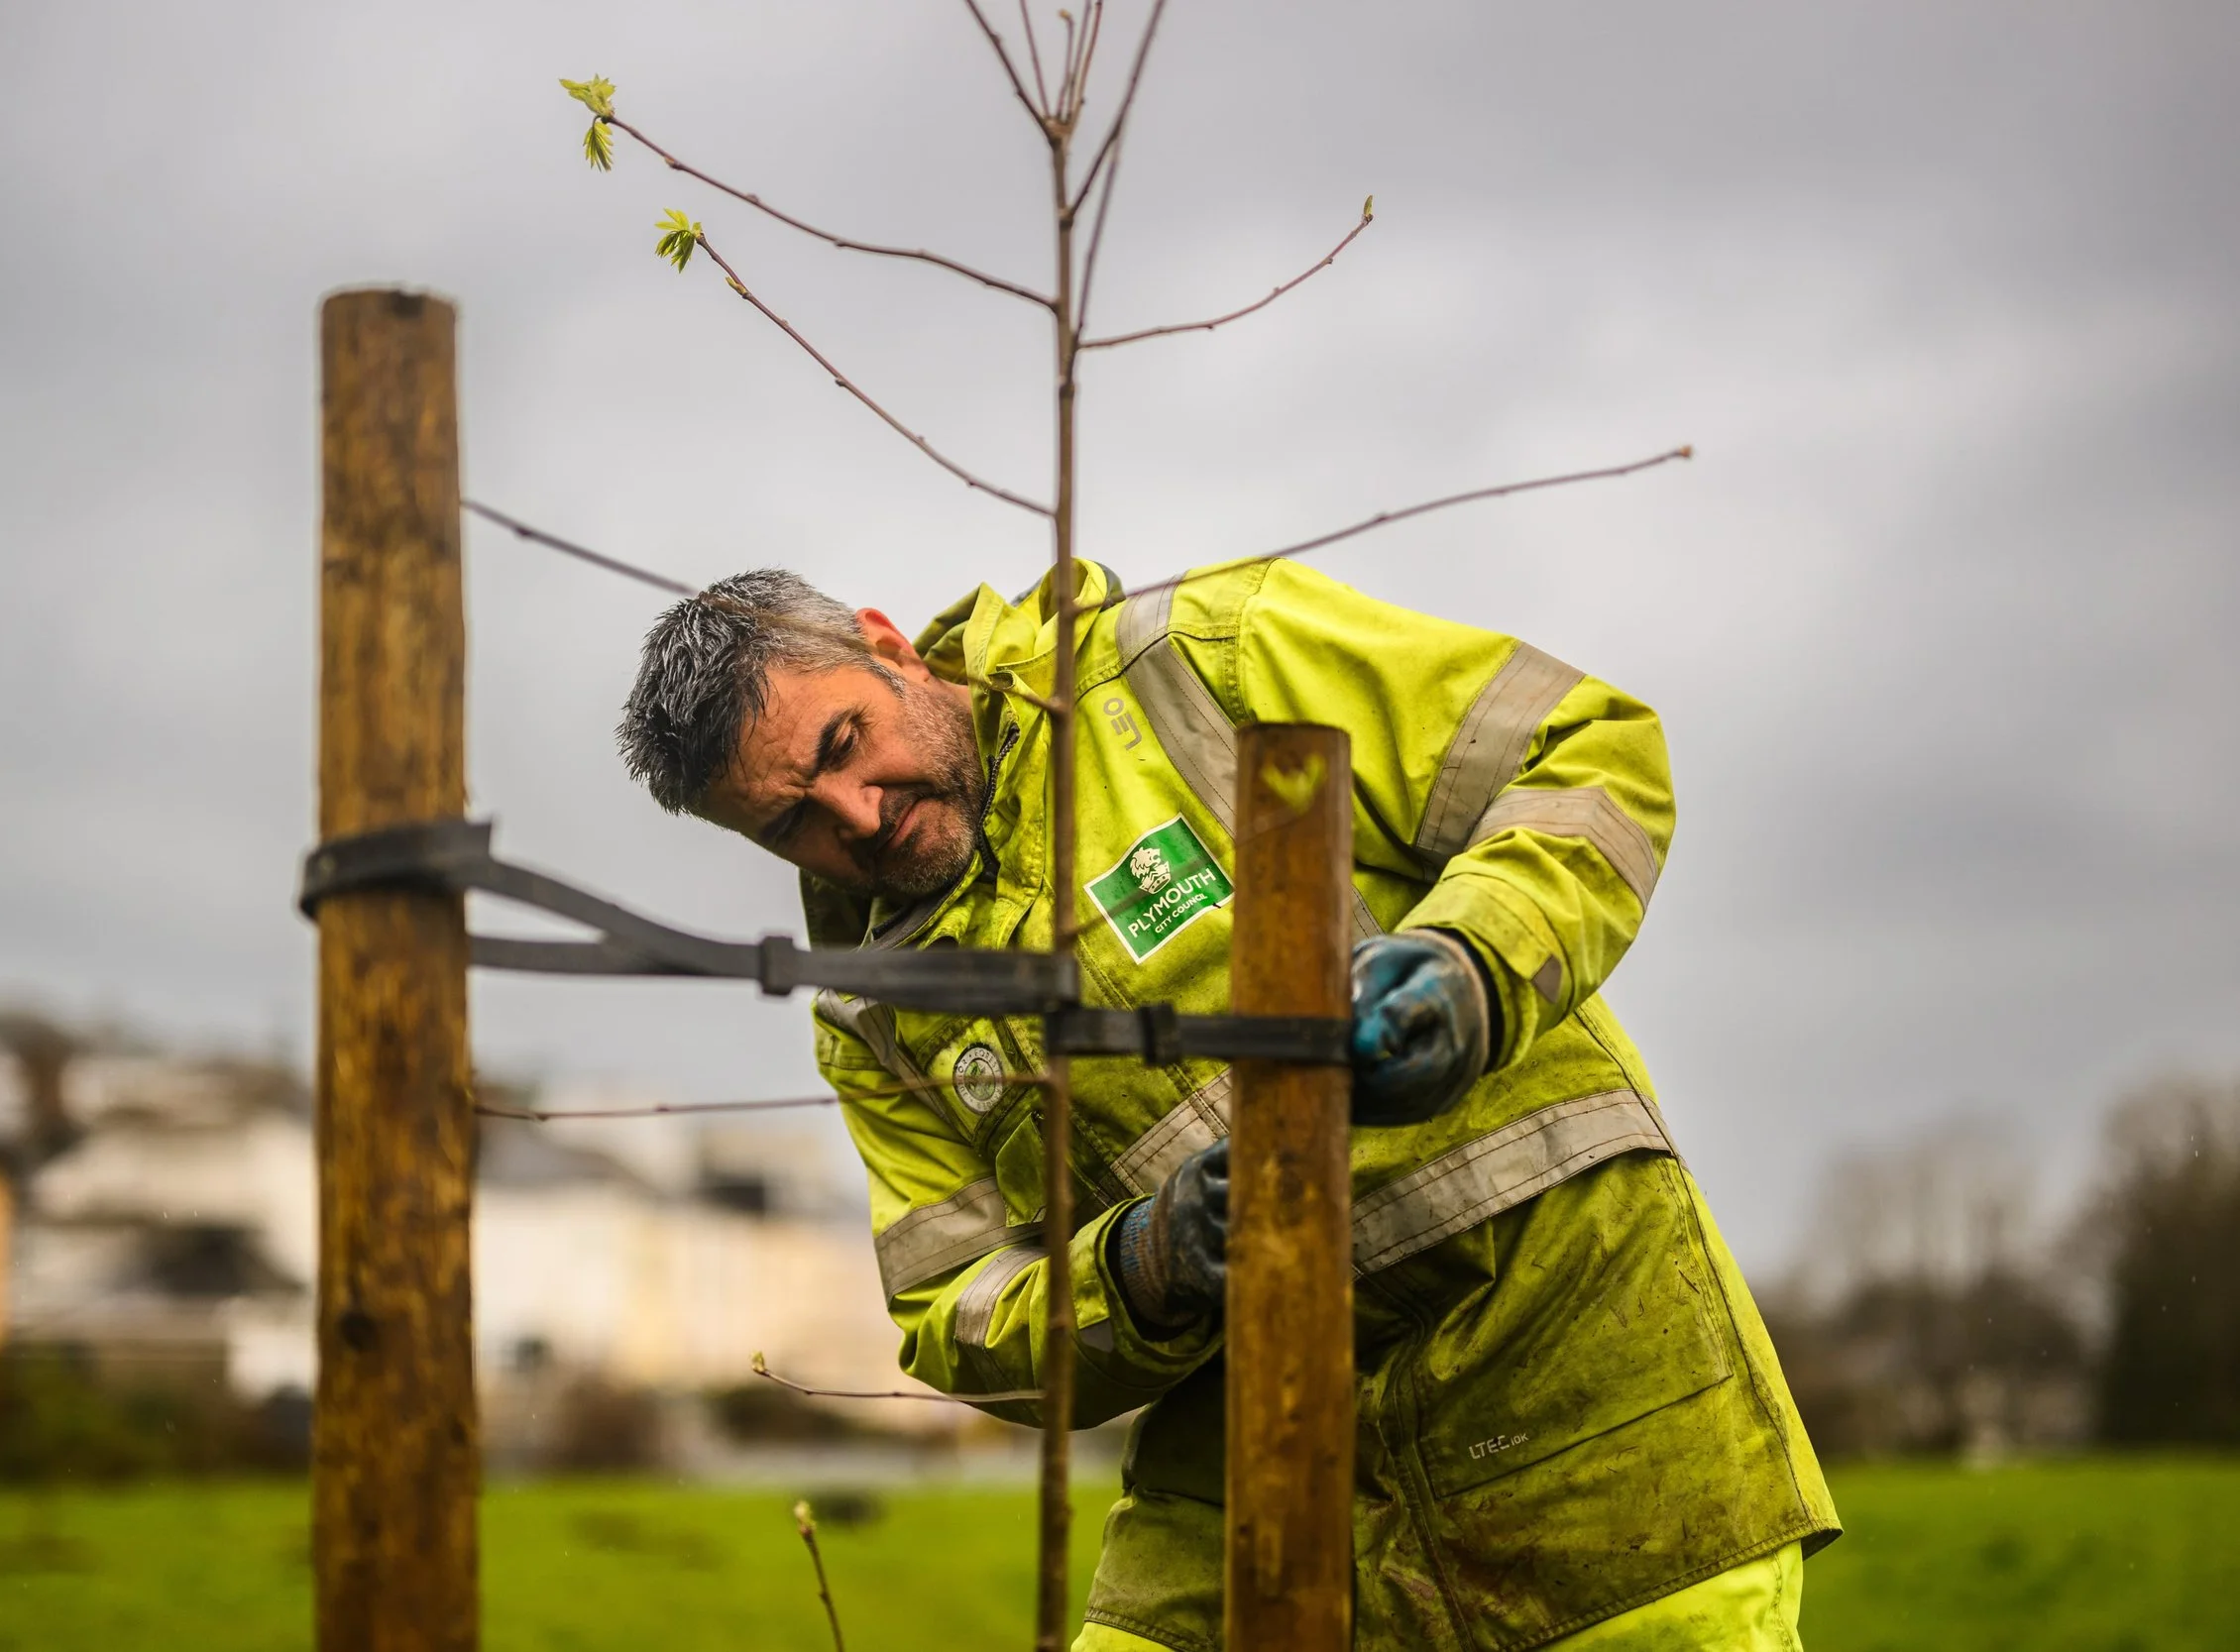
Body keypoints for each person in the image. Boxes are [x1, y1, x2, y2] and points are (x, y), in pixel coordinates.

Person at [618, 557, 1837, 1650]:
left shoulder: (1194, 660)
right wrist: (1144, 1264)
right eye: (790, 822)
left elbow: (1586, 747)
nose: (859, 817)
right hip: (1245, 1454)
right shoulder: (870, 1009)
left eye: (842, 745)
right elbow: (955, 1314)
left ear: (888, 645)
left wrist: (1476, 963)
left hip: (1586, 1380)